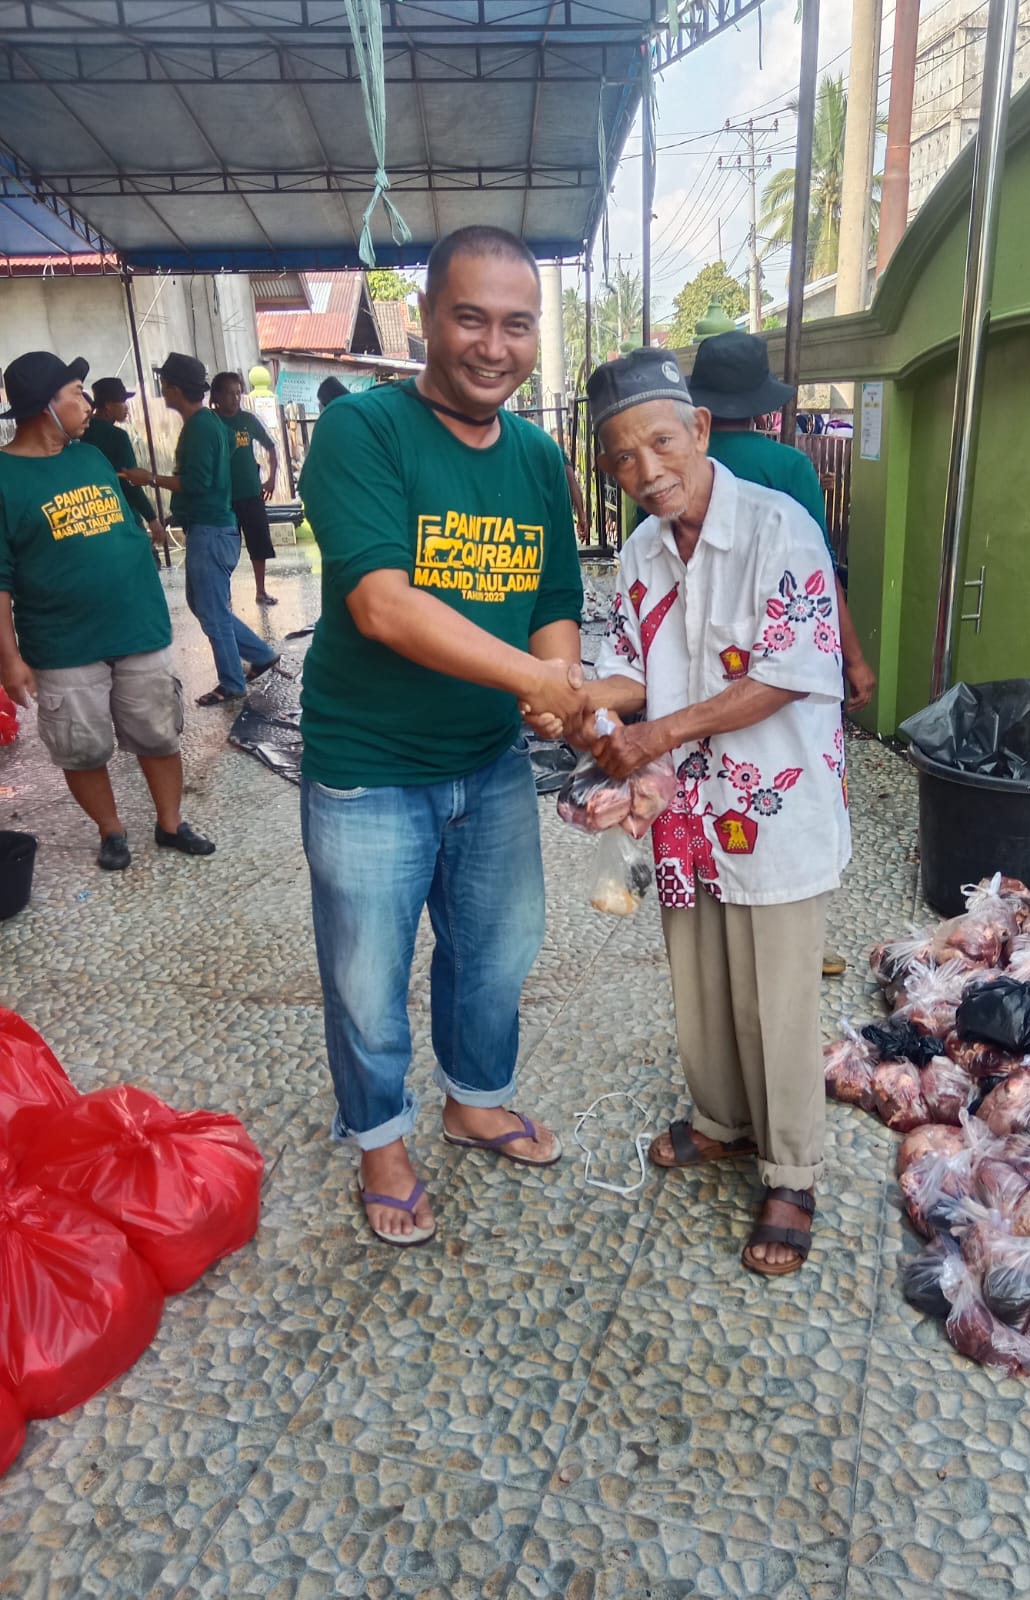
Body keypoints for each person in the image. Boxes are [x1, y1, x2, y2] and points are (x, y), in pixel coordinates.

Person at [297, 225, 587, 1247]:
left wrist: (561, 690)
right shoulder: (364, 433)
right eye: (470, 317)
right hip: (367, 768)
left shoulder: (541, 457)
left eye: (517, 324)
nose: (493, 344)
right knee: (368, 974)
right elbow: (383, 603)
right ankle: (382, 1140)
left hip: (490, 763)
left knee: (495, 953)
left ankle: (473, 1098)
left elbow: (552, 596)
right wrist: (543, 681)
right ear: (427, 320)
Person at [581, 347, 850, 1277]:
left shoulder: (778, 528)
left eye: (660, 442)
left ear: (698, 430)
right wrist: (576, 701)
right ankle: (725, 1123)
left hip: (773, 806)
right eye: (622, 457)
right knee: (699, 978)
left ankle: (793, 1171)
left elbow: (788, 674)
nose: (646, 470)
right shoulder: (641, 553)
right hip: (685, 807)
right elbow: (627, 668)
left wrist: (653, 736)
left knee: (775, 995)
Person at [687, 330, 878, 981]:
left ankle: (723, 932)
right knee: (788, 804)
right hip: (779, 674)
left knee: (715, 798)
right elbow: (817, 579)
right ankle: (797, 945)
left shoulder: (672, 467)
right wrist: (853, 658)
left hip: (700, 679)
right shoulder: (789, 467)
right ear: (762, 403)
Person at [0, 350, 215, 869]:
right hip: (63, 643)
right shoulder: (3, 477)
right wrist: (9, 660)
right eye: (75, 393)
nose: (86, 403)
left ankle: (170, 823)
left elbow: (120, 527)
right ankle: (111, 830)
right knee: (83, 747)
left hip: (138, 626)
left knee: (159, 733)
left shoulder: (91, 457)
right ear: (43, 406)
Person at [121, 352, 278, 706]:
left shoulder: (201, 428)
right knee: (204, 605)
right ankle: (262, 654)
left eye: (164, 383)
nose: (161, 388)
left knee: (210, 609)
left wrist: (150, 479)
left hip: (211, 529)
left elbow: (197, 482)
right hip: (212, 528)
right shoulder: (206, 424)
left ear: (175, 388)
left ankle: (232, 682)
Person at [209, 371, 280, 606]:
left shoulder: (248, 420)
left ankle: (261, 590)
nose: (235, 398)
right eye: (229, 393)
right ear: (217, 395)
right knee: (224, 548)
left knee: (259, 544)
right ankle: (225, 594)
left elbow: (271, 447)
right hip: (223, 498)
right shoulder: (210, 422)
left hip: (251, 493)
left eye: (238, 392)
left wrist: (271, 479)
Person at [82, 377, 169, 552]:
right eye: (122, 401)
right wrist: (152, 519)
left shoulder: (81, 432)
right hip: (122, 512)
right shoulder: (117, 436)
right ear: (108, 405)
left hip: (91, 514)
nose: (126, 406)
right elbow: (130, 481)